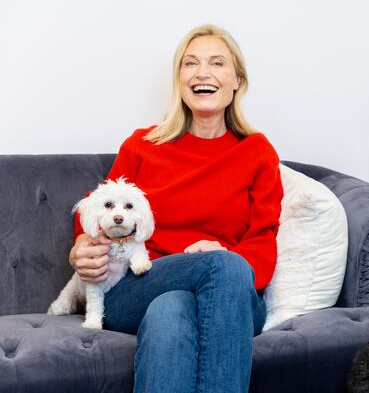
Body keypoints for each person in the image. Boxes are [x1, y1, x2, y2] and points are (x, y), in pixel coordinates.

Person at [68, 24, 283, 393]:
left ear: (237, 81)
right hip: (139, 283)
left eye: (217, 63)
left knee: (173, 308)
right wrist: (82, 250)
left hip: (230, 297)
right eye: (190, 64)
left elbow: (263, 245)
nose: (203, 73)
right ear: (179, 79)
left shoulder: (257, 152)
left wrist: (224, 256)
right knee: (218, 269)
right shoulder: (142, 145)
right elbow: (97, 210)